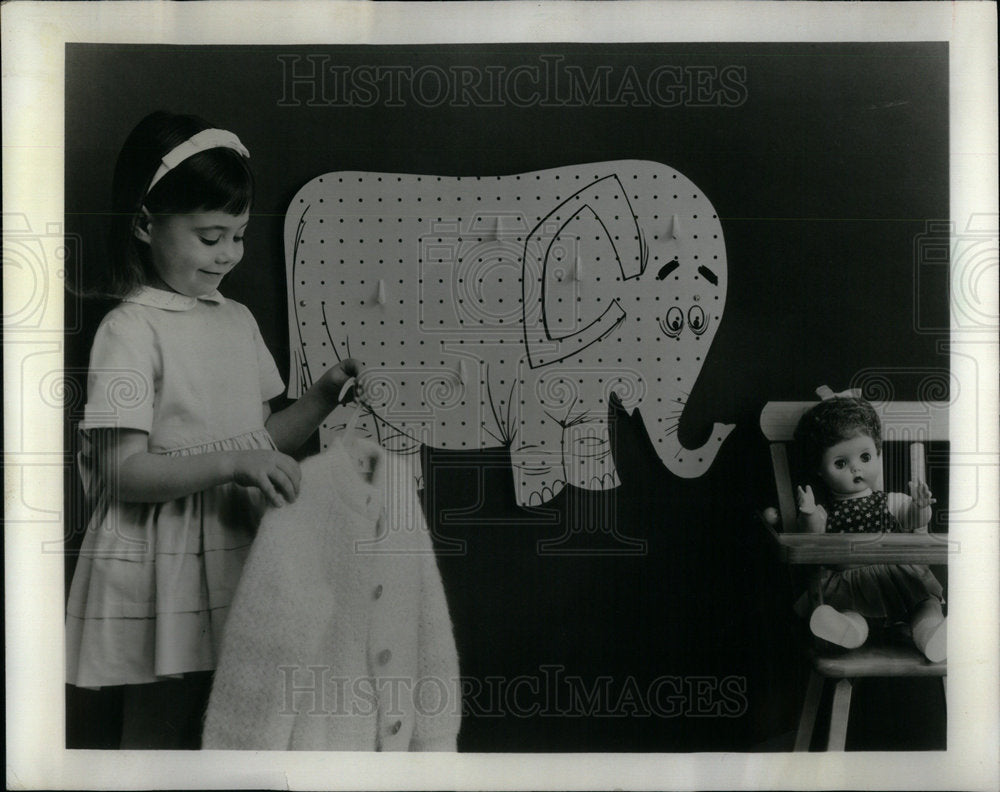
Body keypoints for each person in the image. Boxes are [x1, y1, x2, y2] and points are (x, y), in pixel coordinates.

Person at [65, 111, 366, 748]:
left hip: (240, 546)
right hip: (162, 560)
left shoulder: (237, 321)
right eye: (210, 236)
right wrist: (232, 465)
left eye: (238, 235)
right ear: (147, 224)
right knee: (161, 729)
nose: (228, 253)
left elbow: (260, 442)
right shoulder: (129, 330)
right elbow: (123, 471)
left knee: (236, 722)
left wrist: (319, 399)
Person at [793, 395, 947, 662]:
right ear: (820, 469)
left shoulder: (890, 500)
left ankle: (932, 637)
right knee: (852, 617)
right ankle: (845, 630)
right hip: (850, 584)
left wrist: (921, 506)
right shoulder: (825, 512)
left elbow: (913, 520)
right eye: (841, 463)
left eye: (865, 456)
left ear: (878, 454)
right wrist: (808, 513)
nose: (856, 468)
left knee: (925, 607)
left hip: (897, 577)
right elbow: (814, 536)